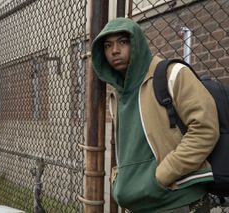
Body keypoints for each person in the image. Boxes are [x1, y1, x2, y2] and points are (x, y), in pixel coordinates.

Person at [91, 17, 219, 212]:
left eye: (123, 42)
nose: (114, 51)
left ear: (138, 44)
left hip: (178, 202)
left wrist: (162, 175)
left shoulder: (172, 74)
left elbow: (205, 129)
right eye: (108, 45)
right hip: (141, 204)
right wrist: (121, 180)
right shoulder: (117, 96)